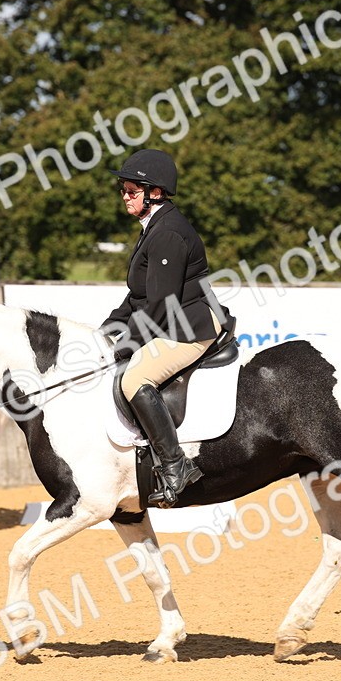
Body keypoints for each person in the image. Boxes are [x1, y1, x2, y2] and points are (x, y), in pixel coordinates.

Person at [102, 149, 230, 505]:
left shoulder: (168, 233)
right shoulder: (153, 228)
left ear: (154, 192)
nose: (124, 196)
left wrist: (129, 341)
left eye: (131, 190)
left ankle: (176, 466)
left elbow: (160, 305)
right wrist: (106, 329)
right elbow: (136, 296)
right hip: (171, 321)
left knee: (134, 378)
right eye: (123, 189)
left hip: (189, 327)